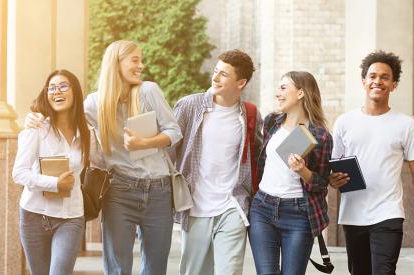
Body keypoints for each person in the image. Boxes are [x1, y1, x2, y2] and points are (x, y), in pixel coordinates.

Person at [25, 40, 182, 274]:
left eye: (141, 60)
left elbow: (174, 131)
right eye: (135, 60)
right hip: (119, 190)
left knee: (156, 267)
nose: (141, 65)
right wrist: (33, 117)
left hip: (159, 190)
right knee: (117, 268)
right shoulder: (94, 103)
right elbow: (64, 114)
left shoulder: (149, 91)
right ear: (116, 63)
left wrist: (146, 142)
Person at [329, 50, 414, 275]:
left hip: (388, 213)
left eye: (385, 77)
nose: (378, 81)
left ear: (394, 84)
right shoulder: (344, 122)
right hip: (353, 213)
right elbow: (335, 167)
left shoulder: (405, 124)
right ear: (364, 81)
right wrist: (334, 180)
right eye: (373, 76)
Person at [171, 49, 262, 275]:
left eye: (224, 74)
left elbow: (259, 156)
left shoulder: (249, 114)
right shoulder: (189, 106)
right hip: (194, 207)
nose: (215, 77)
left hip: (232, 205)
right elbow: (169, 150)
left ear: (240, 82)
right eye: (216, 71)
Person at [248, 71, 332, 275]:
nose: (278, 93)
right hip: (262, 209)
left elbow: (321, 184)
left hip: (299, 214)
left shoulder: (320, 136)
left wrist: (302, 170)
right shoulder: (271, 122)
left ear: (301, 93)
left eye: (283, 88)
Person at [13, 69, 90, 275]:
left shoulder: (86, 132)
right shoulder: (37, 128)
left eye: (63, 86)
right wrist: (54, 183)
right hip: (34, 214)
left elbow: (103, 161)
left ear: (75, 92)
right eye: (52, 88)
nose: (57, 91)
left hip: (71, 216)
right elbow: (19, 173)